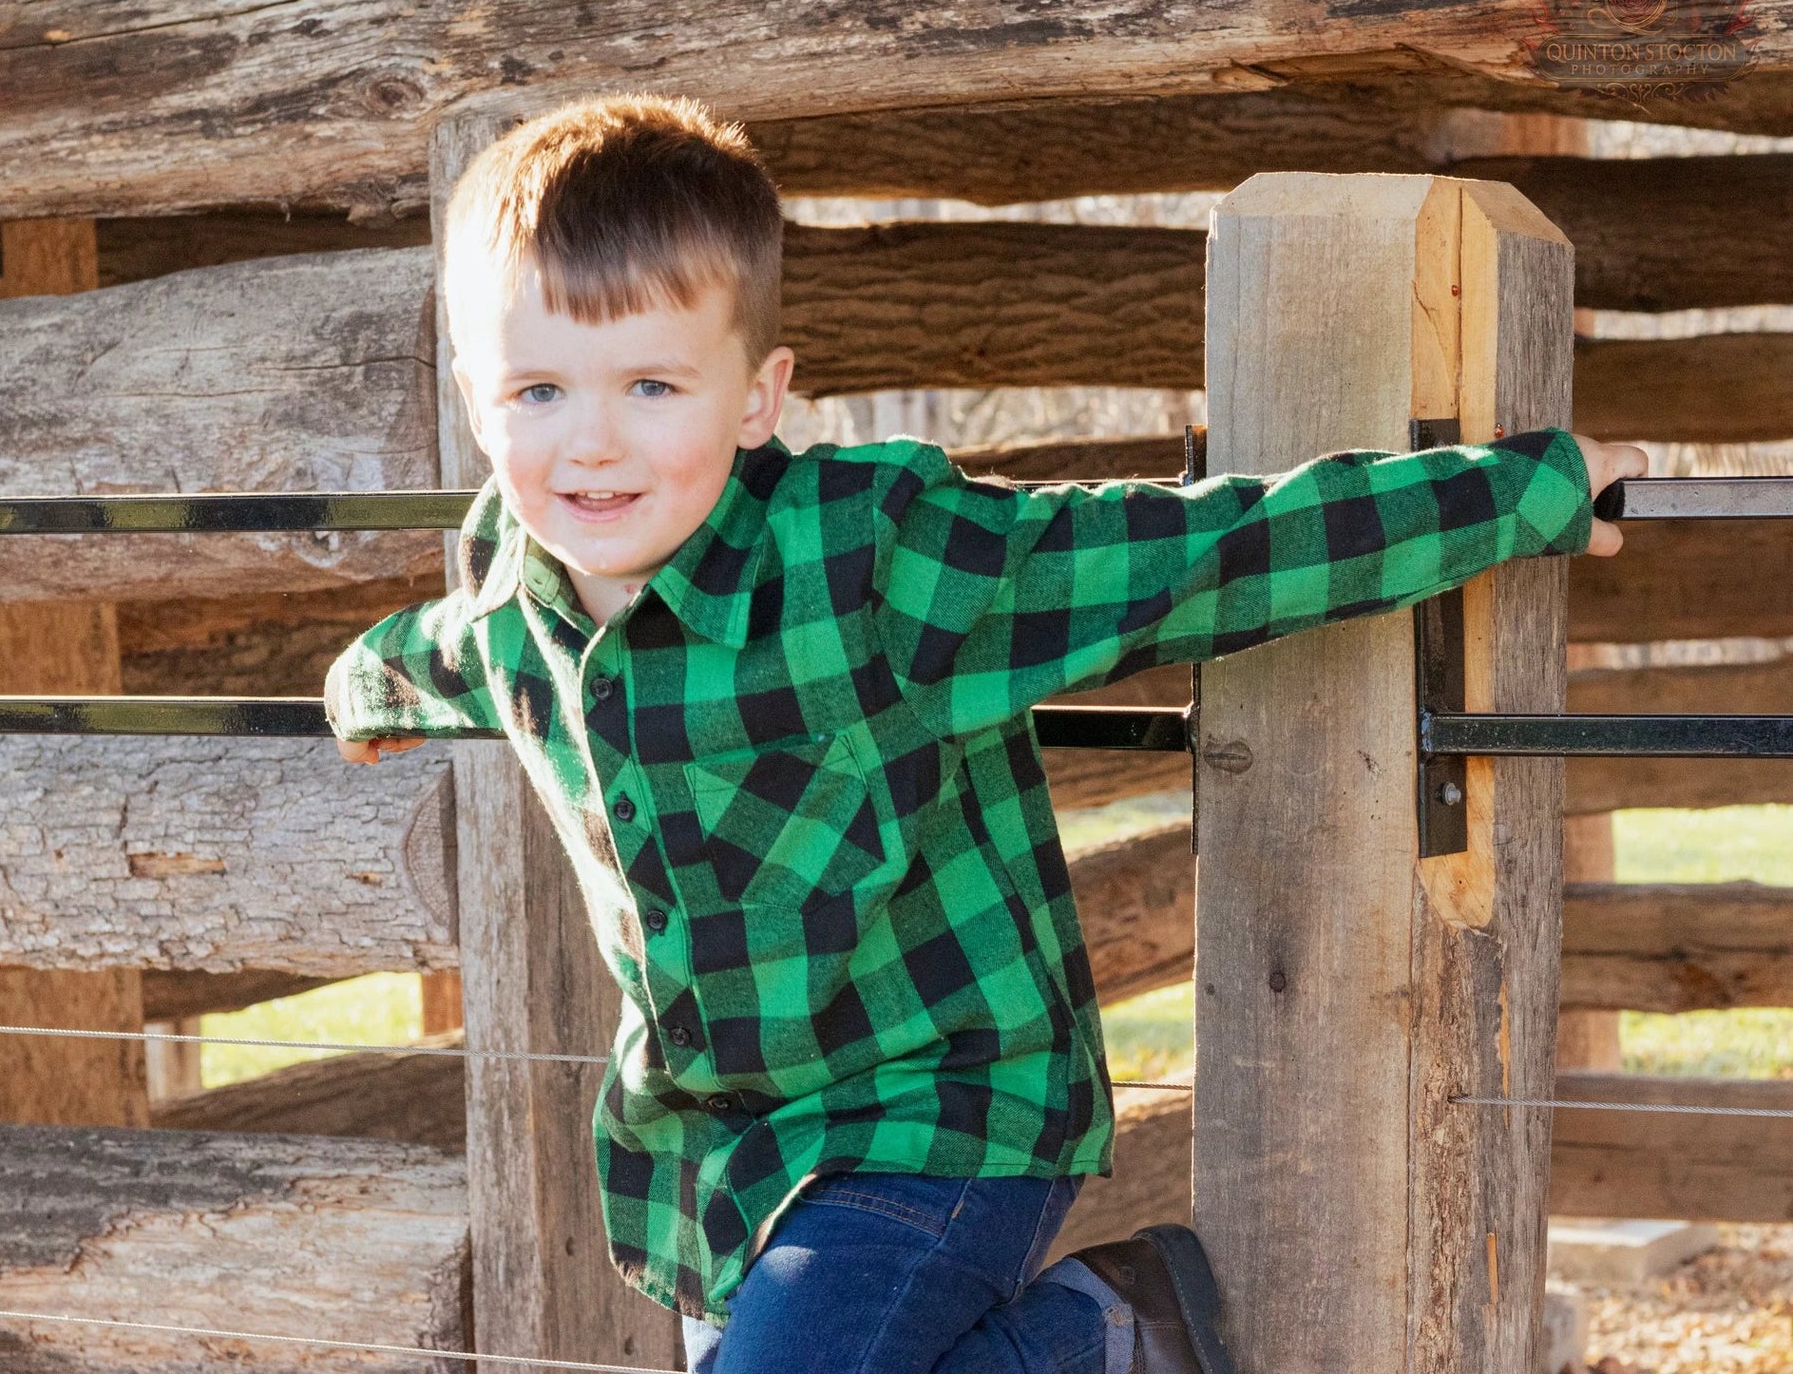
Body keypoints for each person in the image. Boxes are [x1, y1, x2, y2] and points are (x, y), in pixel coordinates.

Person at [324, 93, 1647, 1374]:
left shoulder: (873, 563)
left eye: (652, 385)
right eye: (538, 391)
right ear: (476, 396)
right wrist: (366, 689)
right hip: (732, 1163)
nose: (591, 443)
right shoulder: (517, 593)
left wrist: (1521, 494)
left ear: (754, 397)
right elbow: (452, 650)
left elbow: (1205, 556)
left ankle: (1086, 1335)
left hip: (946, 1114)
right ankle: (1111, 1339)